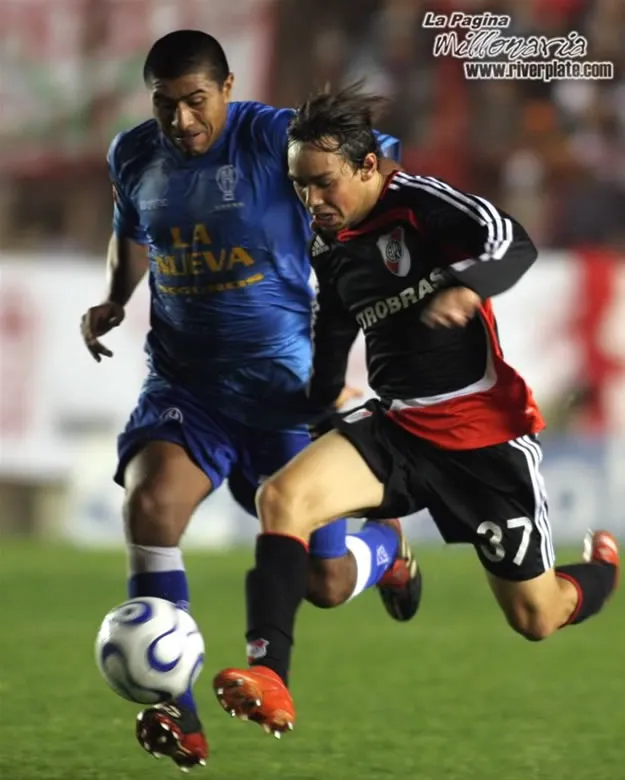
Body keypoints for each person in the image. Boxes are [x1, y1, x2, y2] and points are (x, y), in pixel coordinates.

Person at [212, 85, 620, 738]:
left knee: (535, 616)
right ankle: (270, 676)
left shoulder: (421, 204)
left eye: (323, 183)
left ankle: (602, 569)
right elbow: (335, 326)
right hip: (398, 430)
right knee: (281, 499)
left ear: (368, 167)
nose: (311, 201)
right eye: (300, 186)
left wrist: (466, 286)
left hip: (482, 442)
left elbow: (511, 242)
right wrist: (316, 404)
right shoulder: (329, 242)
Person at [80, 33, 421, 770]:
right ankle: (179, 712)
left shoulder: (273, 138)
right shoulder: (133, 155)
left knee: (325, 583)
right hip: (187, 386)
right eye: (165, 105)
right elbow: (131, 231)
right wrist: (114, 299)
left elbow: (373, 159)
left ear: (228, 88)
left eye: (196, 101)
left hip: (285, 393)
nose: (182, 121)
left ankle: (385, 549)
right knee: (151, 506)